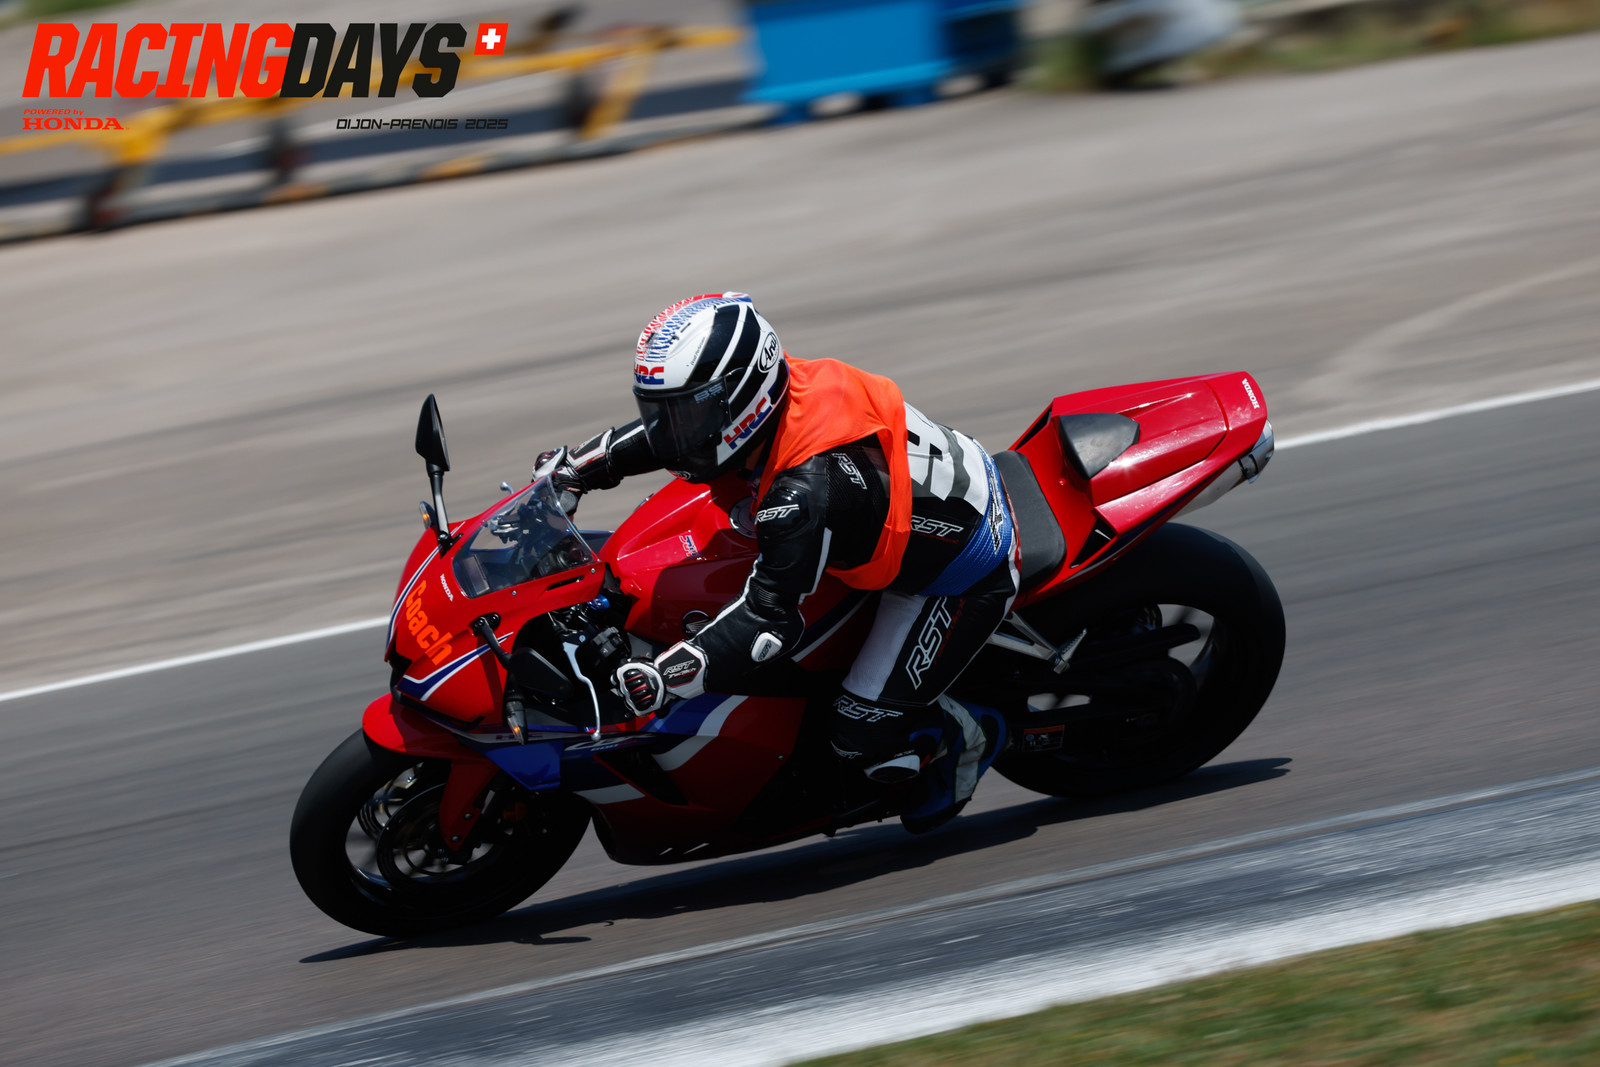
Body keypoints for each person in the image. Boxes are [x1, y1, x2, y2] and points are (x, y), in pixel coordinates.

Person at [545, 293, 1018, 831]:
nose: (670, 432)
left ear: (742, 397)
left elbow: (768, 621)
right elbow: (673, 438)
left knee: (857, 731)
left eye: (686, 414)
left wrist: (664, 677)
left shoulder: (802, 491)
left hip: (962, 570)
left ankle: (963, 735)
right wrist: (576, 469)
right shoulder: (775, 395)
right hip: (905, 501)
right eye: (663, 412)